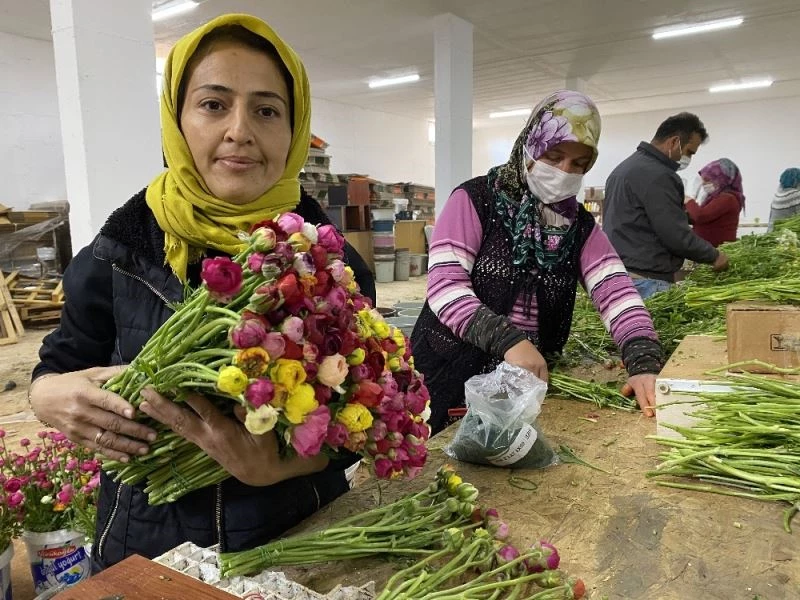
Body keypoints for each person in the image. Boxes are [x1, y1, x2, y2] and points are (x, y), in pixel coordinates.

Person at [27, 14, 374, 572]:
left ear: (294, 131)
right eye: (214, 104)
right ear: (177, 118)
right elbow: (61, 364)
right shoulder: (118, 250)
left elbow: (356, 423)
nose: (240, 129)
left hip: (294, 543)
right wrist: (47, 396)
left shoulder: (332, 266)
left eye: (266, 110)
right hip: (144, 546)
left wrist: (278, 467)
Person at [411, 90, 664, 434]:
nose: (564, 172)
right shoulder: (475, 200)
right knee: (441, 462)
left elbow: (616, 292)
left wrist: (642, 359)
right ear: (530, 146)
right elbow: (445, 288)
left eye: (578, 164)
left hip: (522, 382)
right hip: (450, 369)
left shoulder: (579, 227)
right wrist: (509, 341)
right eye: (554, 156)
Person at [602, 112, 729, 299]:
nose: (688, 158)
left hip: (619, 276)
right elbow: (674, 234)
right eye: (689, 152)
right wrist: (714, 256)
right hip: (646, 281)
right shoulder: (660, 175)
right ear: (674, 142)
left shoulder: (623, 169)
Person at [684, 158, 744, 247]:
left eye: (708, 180)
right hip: (707, 249)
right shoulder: (713, 197)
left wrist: (689, 200)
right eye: (703, 179)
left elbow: (701, 216)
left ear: (722, 179)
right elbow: (696, 218)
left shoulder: (727, 198)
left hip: (717, 250)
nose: (703, 183)